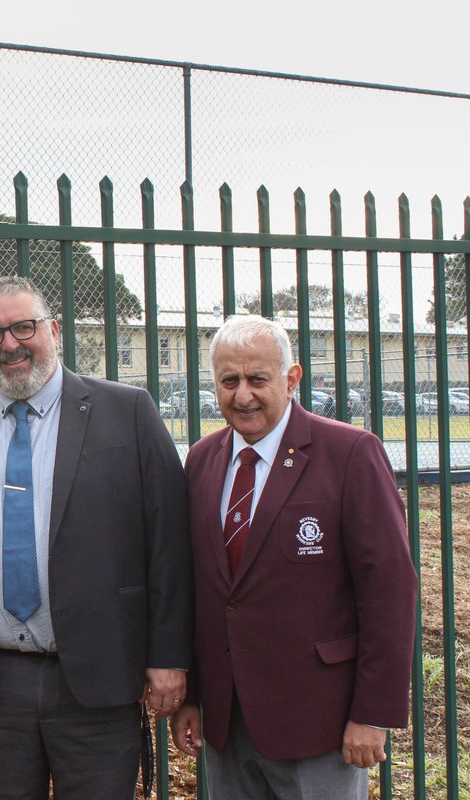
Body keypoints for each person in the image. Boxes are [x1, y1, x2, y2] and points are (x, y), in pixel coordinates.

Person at [0, 275, 193, 799]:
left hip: (98, 677)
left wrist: (168, 656)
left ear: (53, 330)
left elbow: (169, 545)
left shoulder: (127, 412)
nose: (10, 344)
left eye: (24, 327)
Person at [170, 315, 417, 799]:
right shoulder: (201, 459)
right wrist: (194, 694)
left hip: (319, 722)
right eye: (229, 381)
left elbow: (389, 592)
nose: (243, 395)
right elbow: (200, 588)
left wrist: (373, 714)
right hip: (227, 722)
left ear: (292, 377)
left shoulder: (350, 454)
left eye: (258, 379)